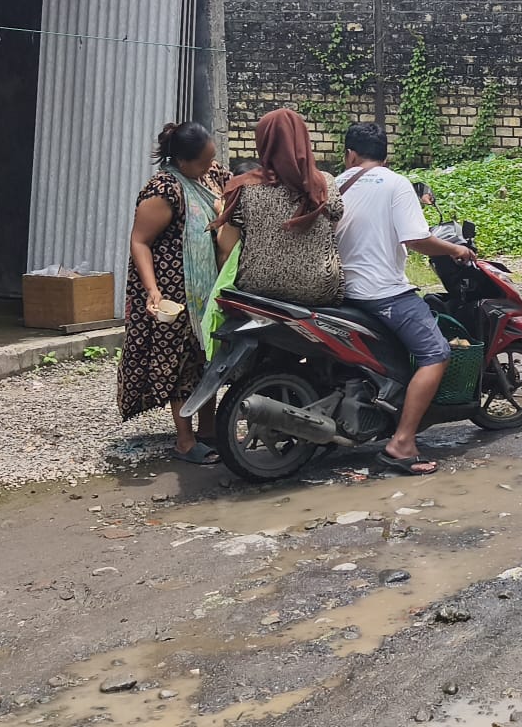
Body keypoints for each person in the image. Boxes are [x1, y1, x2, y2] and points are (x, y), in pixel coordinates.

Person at [334, 122, 474, 476]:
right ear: (386, 156)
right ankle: (402, 443)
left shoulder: (336, 184)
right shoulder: (395, 183)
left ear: (350, 154)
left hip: (340, 292)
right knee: (436, 353)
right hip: (382, 292)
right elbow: (416, 239)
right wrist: (456, 250)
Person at [118, 122, 230, 465]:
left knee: (207, 359)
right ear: (182, 161)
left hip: (208, 290)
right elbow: (140, 241)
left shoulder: (210, 175)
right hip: (173, 294)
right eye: (203, 161)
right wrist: (152, 290)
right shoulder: (164, 190)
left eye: (212, 158)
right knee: (180, 365)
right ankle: (185, 440)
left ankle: (208, 430)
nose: (211, 166)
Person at [213, 108, 344, 307]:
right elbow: (331, 230)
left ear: (263, 143)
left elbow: (227, 248)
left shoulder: (245, 187)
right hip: (319, 292)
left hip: (256, 289)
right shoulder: (325, 183)